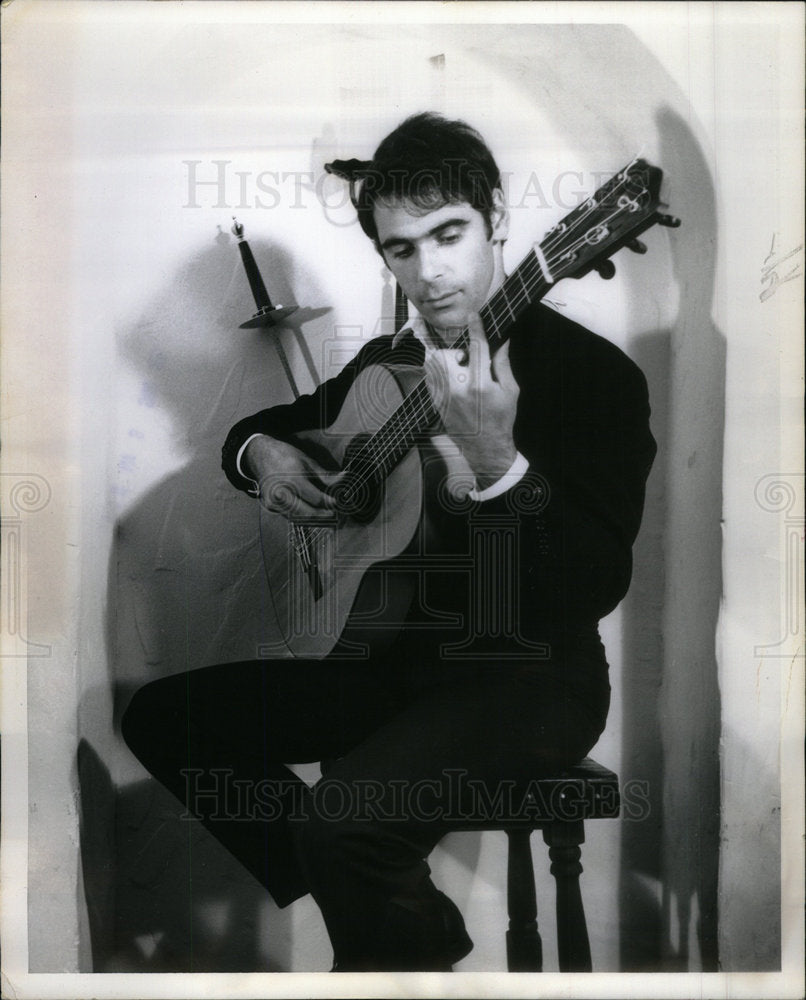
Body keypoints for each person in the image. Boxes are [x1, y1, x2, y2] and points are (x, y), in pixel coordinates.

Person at [122, 112, 657, 971]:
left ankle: (385, 950)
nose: (429, 269)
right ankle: (390, 913)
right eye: (401, 248)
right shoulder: (384, 366)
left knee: (342, 817)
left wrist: (495, 460)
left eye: (449, 234)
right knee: (166, 717)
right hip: (390, 668)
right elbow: (272, 428)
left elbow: (593, 582)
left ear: (498, 225)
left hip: (528, 678)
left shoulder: (590, 377)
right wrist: (262, 456)